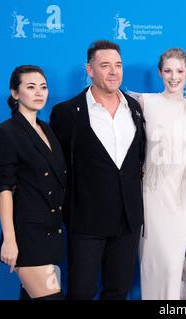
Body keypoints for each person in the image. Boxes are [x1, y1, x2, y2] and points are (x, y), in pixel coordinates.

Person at [50, 40, 145, 300]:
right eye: (105, 66)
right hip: (86, 220)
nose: (114, 71)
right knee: (81, 291)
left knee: (118, 291)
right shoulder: (67, 112)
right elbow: (57, 168)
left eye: (118, 65)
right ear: (90, 70)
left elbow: (138, 160)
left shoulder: (134, 109)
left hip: (127, 220)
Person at [0, 65, 66, 300]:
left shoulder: (47, 129)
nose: (38, 92)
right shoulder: (7, 132)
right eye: (30, 87)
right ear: (15, 93)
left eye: (43, 87)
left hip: (52, 233)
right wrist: (10, 241)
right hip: (27, 237)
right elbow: (4, 189)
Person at [138, 48, 186, 300]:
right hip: (151, 196)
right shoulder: (145, 102)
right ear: (160, 72)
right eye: (168, 71)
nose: (174, 77)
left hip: (180, 198)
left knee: (174, 262)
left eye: (179, 71)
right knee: (153, 261)